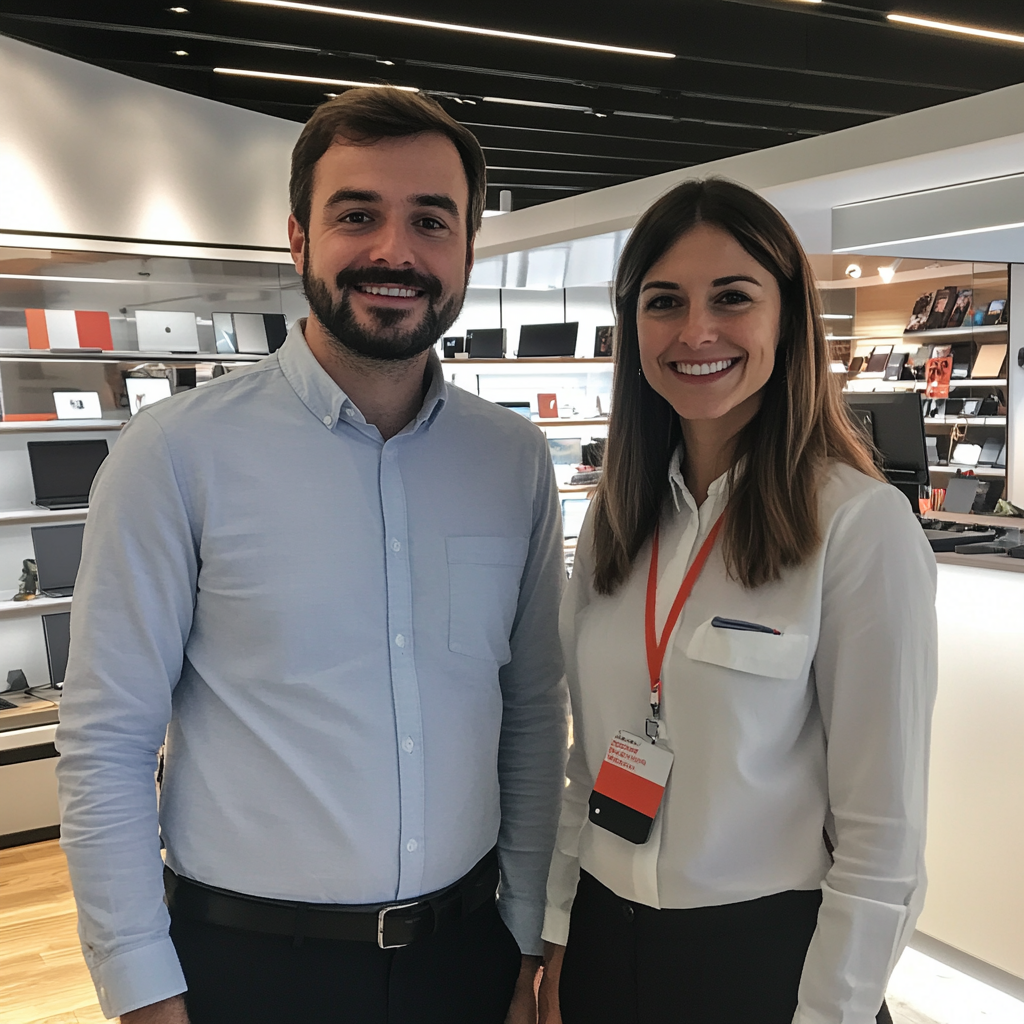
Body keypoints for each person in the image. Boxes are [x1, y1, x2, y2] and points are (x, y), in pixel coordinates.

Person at [56, 88, 568, 1024]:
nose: (394, 251)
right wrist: (140, 986)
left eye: (430, 220)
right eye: (357, 215)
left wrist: (530, 933)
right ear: (297, 238)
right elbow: (107, 744)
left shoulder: (512, 460)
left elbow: (532, 715)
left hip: (465, 957)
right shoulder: (174, 455)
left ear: (465, 250)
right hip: (248, 973)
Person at [537, 179, 937, 1024]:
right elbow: (590, 765)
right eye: (663, 302)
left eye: (732, 297)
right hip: (606, 947)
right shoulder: (615, 520)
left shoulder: (859, 529)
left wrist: (832, 1013)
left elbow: (882, 839)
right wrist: (559, 935)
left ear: (788, 316)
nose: (695, 332)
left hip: (763, 965)